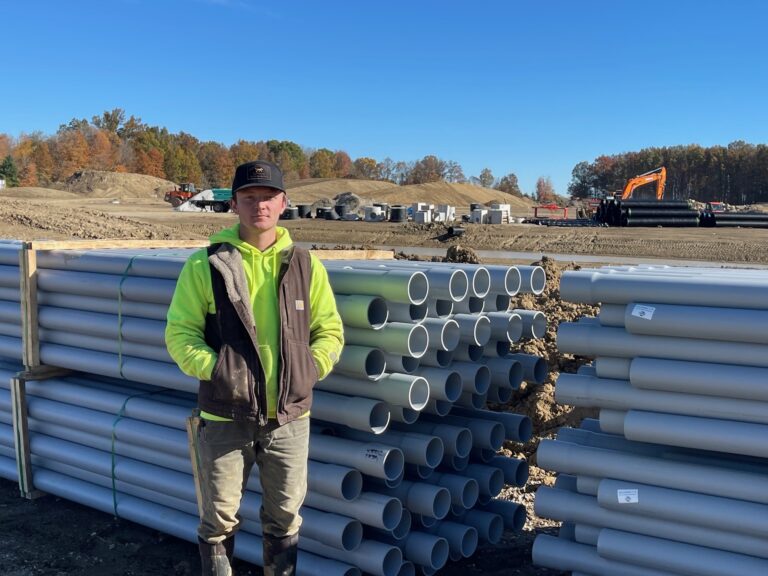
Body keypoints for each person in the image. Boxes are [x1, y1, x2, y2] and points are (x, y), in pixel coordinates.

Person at [165, 159, 344, 576]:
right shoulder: (206, 264)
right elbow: (180, 334)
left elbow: (330, 330)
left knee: (284, 517)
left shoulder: (305, 265)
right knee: (218, 519)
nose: (258, 206)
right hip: (224, 415)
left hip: (289, 419)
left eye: (268, 198)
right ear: (234, 204)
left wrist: (308, 370)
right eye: (248, 198)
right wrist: (217, 371)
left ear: (283, 203)